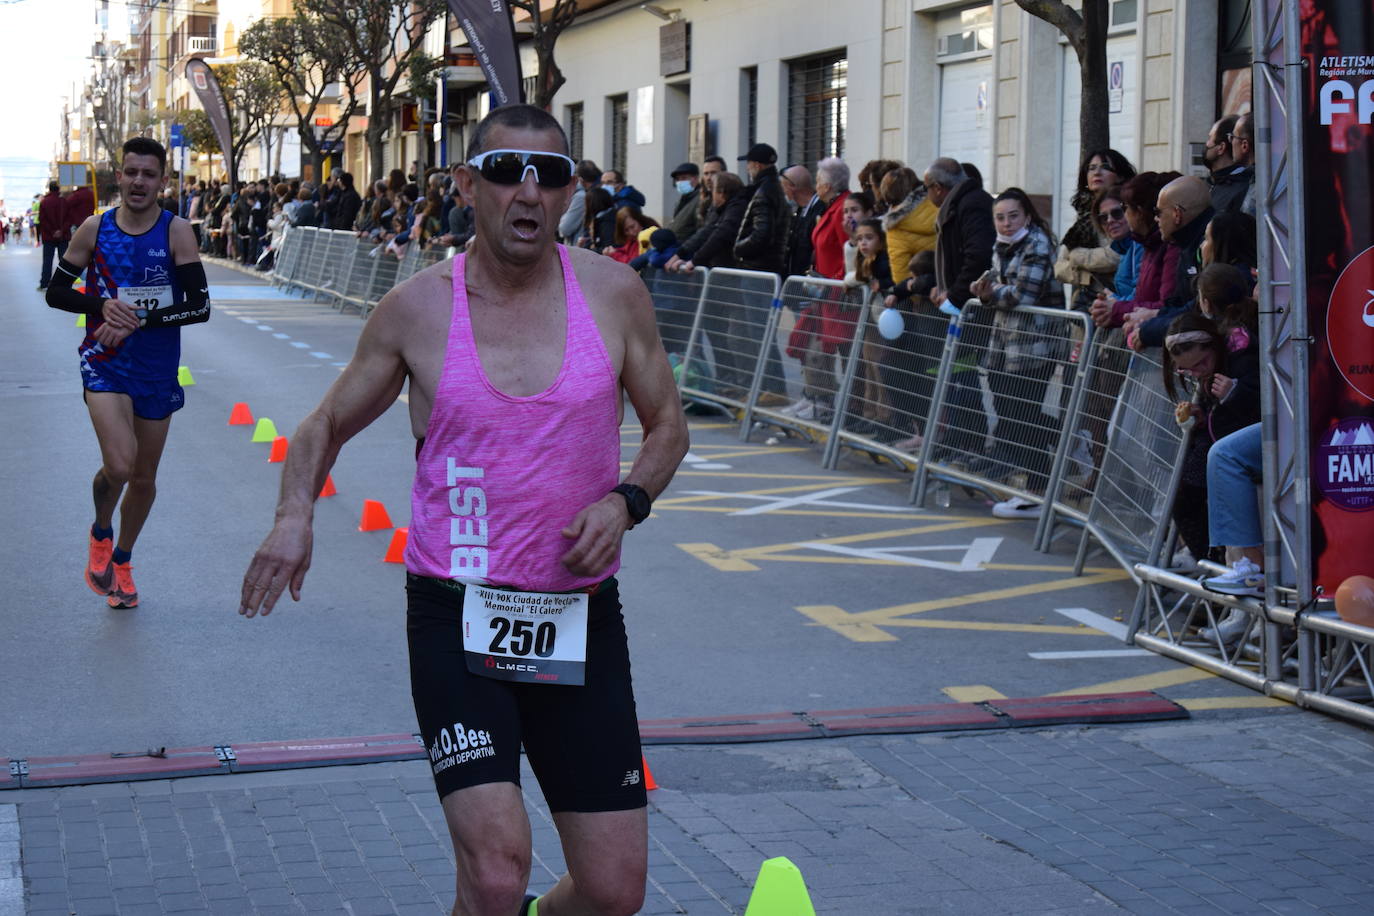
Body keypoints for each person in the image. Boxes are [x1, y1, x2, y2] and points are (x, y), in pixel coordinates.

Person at [238, 103, 688, 916]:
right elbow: (324, 424)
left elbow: (668, 427)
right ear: (466, 183)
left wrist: (627, 502)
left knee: (615, 892)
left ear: (568, 193)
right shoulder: (417, 310)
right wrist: (294, 515)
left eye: (549, 175)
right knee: (494, 871)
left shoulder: (615, 295)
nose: (529, 192)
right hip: (458, 616)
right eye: (507, 171)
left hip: (579, 617)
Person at [45, 137, 211, 609]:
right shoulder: (95, 229)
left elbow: (198, 307)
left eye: (149, 174)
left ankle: (122, 560)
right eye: (131, 172)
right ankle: (100, 534)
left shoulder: (176, 231)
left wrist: (136, 319)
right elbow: (57, 292)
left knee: (143, 477)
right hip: (104, 364)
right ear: (119, 176)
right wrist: (100, 305)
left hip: (157, 369)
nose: (139, 181)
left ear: (162, 180)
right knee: (119, 464)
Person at [1055, 149, 1135, 312]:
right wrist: (1088, 278)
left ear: (1120, 176)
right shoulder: (1082, 217)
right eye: (1091, 168)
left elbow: (1116, 256)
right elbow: (1059, 267)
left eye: (1105, 167)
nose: (1097, 172)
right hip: (1083, 303)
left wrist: (1078, 256)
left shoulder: (1128, 208)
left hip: (1117, 302)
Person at [923, 157, 994, 317]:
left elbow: (978, 256)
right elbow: (951, 258)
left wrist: (955, 296)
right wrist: (940, 285)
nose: (926, 194)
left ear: (937, 188)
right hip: (964, 303)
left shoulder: (971, 205)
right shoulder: (957, 205)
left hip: (974, 309)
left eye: (925, 188)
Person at [1203, 114, 1253, 214]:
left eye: (1210, 138)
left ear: (1221, 148)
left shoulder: (1243, 186)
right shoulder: (1208, 185)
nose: (1206, 144)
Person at [558, 160, 601, 244]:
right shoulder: (593, 193)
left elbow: (565, 229)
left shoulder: (580, 197)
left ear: (579, 179)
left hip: (577, 246)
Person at [37, 181, 68, 289]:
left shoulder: (44, 202)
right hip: (63, 237)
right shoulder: (64, 201)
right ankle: (64, 284)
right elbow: (69, 219)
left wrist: (52, 232)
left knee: (47, 260)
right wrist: (61, 231)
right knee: (64, 261)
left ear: (49, 189)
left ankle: (44, 283)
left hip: (48, 237)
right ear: (58, 189)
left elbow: (42, 220)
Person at [666, 162, 702, 239]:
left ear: (695, 179)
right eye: (678, 179)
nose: (680, 182)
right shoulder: (683, 200)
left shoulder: (700, 199)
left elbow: (700, 229)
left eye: (684, 178)